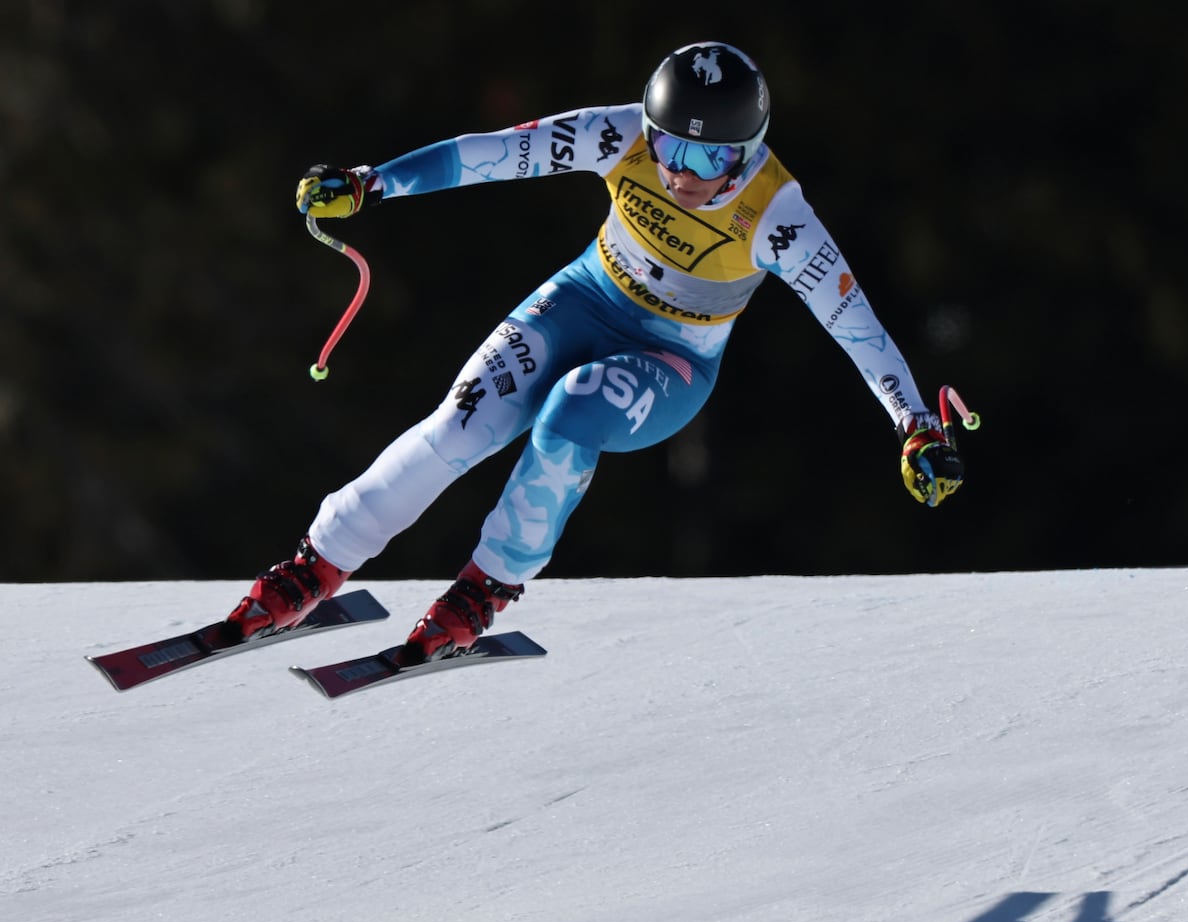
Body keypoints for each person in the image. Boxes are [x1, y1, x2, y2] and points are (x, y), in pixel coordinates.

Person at [227, 41, 966, 663]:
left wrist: (912, 422)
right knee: (462, 420)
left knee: (573, 410)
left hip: (675, 360)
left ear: (744, 157)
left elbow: (853, 321)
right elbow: (497, 155)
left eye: (702, 157)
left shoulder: (777, 215)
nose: (675, 170)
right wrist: (371, 183)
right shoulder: (622, 137)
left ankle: (487, 586)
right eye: (667, 142)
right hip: (582, 300)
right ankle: (315, 562)